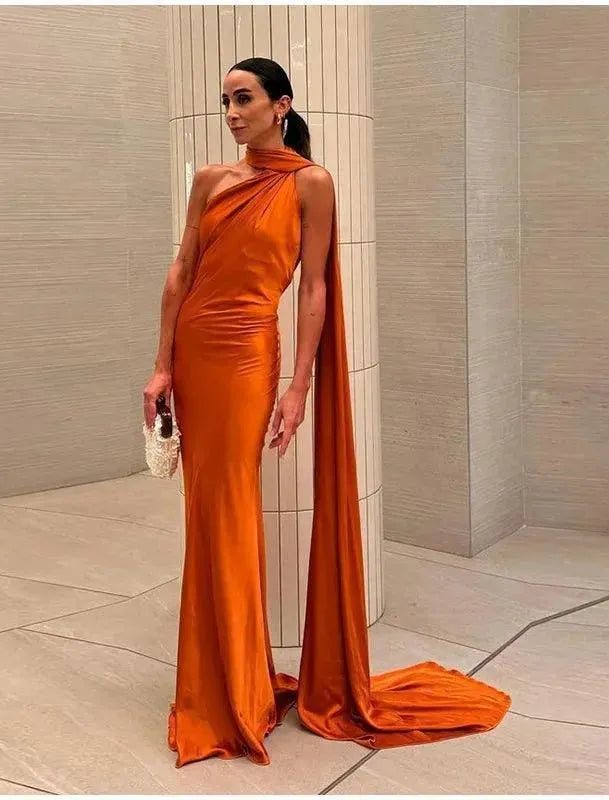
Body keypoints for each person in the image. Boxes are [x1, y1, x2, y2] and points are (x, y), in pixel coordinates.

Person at [143, 57, 511, 769]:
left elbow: (313, 291)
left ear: (281, 105)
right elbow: (181, 270)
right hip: (193, 351)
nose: (231, 114)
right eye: (225, 102)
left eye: (244, 99)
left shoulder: (312, 183)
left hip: (250, 354)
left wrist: (299, 386)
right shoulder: (211, 180)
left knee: (229, 507)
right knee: (209, 512)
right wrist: (161, 363)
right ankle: (225, 684)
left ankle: (232, 694)